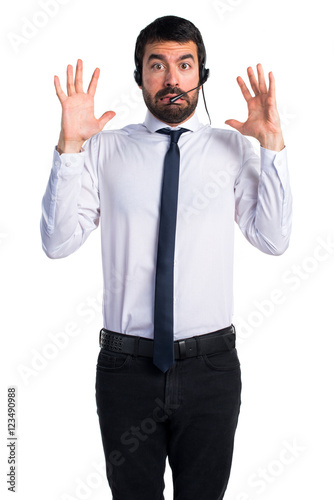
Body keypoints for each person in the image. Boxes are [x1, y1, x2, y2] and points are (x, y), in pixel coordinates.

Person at [41, 15, 292, 500]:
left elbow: (273, 238)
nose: (172, 79)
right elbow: (57, 242)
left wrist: (273, 146)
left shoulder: (233, 147)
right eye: (157, 65)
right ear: (139, 76)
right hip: (126, 369)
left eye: (184, 64)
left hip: (212, 369)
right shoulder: (103, 150)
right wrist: (70, 147)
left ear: (202, 75)